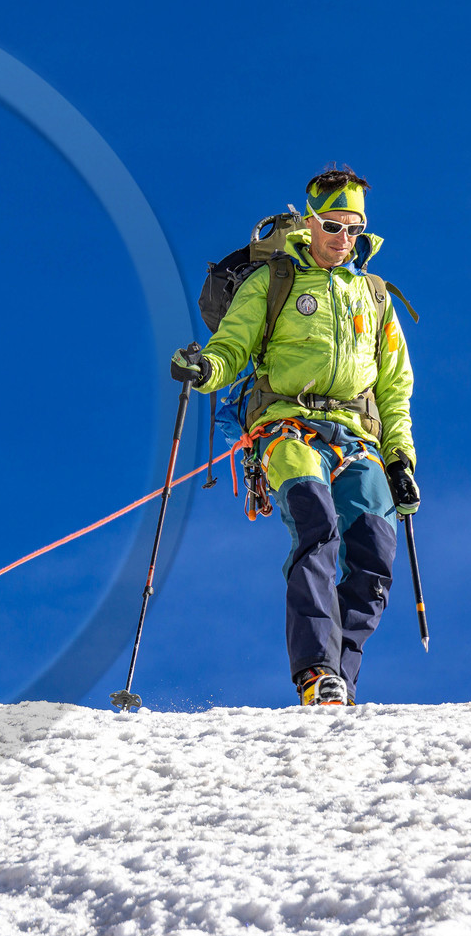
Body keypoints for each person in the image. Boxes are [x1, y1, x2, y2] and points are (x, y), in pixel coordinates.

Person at [172, 166, 419, 706]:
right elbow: (234, 344)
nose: (343, 239)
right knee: (317, 524)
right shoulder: (274, 280)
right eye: (334, 225)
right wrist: (207, 369)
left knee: (375, 554)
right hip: (287, 426)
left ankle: (340, 679)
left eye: (354, 229)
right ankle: (315, 674)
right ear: (311, 222)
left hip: (361, 438)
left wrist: (400, 458)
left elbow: (395, 385)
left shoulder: (374, 296)